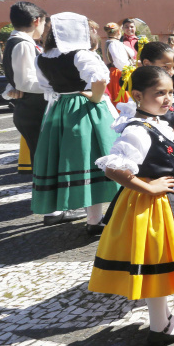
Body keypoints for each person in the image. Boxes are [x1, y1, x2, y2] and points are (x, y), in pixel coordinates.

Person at [89, 66, 174, 346]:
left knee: (161, 267)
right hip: (152, 206)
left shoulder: (156, 123)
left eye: (170, 92)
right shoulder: (138, 130)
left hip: (165, 202)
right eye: (159, 93)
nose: (167, 98)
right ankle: (159, 327)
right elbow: (113, 168)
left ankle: (163, 319)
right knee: (155, 267)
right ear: (137, 95)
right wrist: (149, 188)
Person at [33, 12, 120, 235]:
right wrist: (96, 98)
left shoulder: (43, 57)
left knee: (76, 162)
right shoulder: (81, 55)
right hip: (85, 108)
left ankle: (89, 218)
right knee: (93, 159)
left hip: (60, 109)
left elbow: (46, 87)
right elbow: (99, 79)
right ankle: (95, 220)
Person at [3, 2, 87, 225]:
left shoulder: (17, 42)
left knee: (45, 158)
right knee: (46, 159)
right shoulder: (22, 44)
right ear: (36, 21)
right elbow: (25, 81)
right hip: (34, 109)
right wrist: (59, 84)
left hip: (31, 108)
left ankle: (54, 207)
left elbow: (18, 81)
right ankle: (53, 211)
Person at [138, 41, 174, 136]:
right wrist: (165, 132)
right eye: (165, 67)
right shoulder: (144, 92)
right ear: (147, 64)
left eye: (173, 67)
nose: (171, 72)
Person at [103, 22, 136, 107]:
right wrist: (129, 68)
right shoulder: (114, 44)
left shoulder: (114, 43)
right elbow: (120, 61)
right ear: (118, 32)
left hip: (118, 71)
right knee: (123, 97)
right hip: (119, 73)